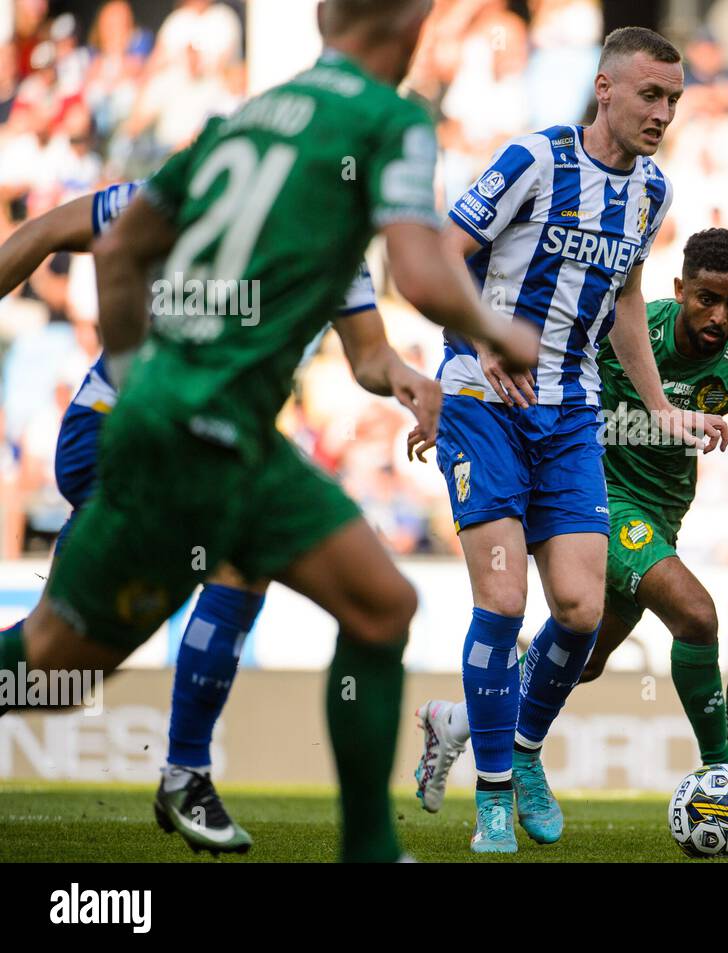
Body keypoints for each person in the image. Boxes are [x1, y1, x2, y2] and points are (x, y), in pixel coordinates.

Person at [0, 0, 537, 864]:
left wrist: (404, 378)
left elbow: (128, 246)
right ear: (411, 28)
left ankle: (243, 794)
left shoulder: (246, 127)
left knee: (372, 603)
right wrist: (496, 328)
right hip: (175, 432)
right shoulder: (386, 120)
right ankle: (266, 803)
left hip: (200, 429)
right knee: (63, 660)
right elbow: (422, 270)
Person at [423, 26, 728, 853]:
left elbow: (626, 301)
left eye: (674, 100)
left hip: (569, 412)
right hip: (484, 399)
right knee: (503, 599)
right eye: (650, 96)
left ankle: (518, 750)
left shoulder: (652, 193)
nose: (663, 113)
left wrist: (662, 408)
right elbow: (443, 253)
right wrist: (484, 341)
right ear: (604, 88)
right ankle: (491, 802)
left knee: (582, 611)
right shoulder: (532, 160)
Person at [0, 178, 441, 854]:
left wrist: (406, 380)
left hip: (223, 448)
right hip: (125, 427)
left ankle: (189, 772)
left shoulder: (343, 244)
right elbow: (50, 230)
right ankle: (188, 770)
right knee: (63, 664)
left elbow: (370, 355)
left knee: (263, 577)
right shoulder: (212, 184)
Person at [407, 229, 728, 813]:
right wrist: (454, 402)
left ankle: (456, 721)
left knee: (584, 661)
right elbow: (541, 369)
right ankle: (723, 782)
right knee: (697, 616)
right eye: (706, 298)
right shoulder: (628, 332)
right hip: (597, 501)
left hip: (660, 519)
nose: (718, 316)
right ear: (680, 289)